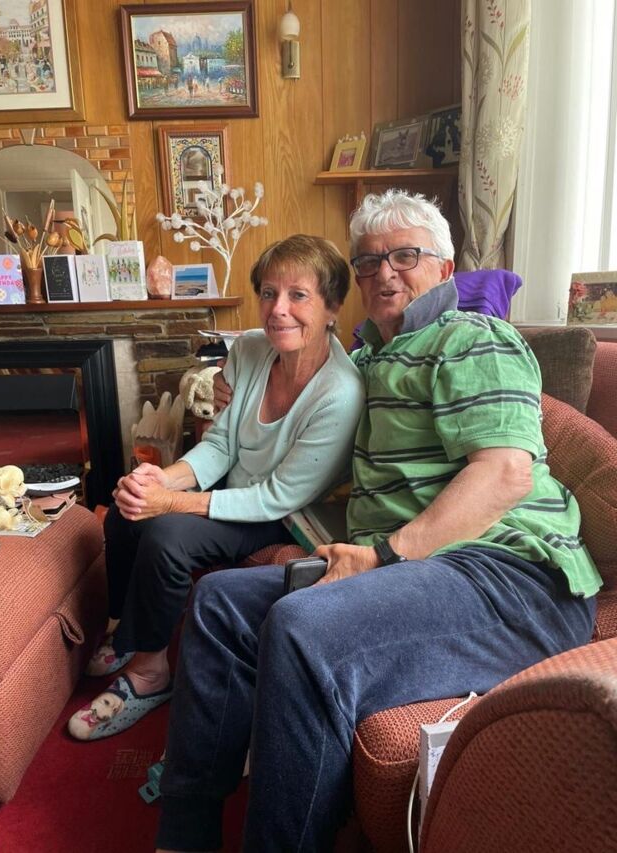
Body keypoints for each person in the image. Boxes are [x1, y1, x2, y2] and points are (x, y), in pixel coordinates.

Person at [155, 189, 601, 852]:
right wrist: (237, 384)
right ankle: (184, 835)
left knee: (302, 626)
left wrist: (385, 554)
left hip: (512, 578)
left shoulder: (472, 338)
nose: (384, 272)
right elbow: (288, 388)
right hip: (416, 574)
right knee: (220, 603)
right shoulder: (365, 363)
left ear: (444, 269)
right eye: (367, 261)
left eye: (405, 256)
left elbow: (505, 472)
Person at [67, 234, 364, 741]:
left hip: (283, 511)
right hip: (237, 484)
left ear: (332, 307)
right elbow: (222, 445)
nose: (278, 309)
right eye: (268, 293)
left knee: (167, 536)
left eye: (298, 295)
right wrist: (162, 479)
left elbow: (276, 497)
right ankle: (122, 629)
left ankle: (150, 673)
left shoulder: (340, 393)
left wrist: (172, 501)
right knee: (126, 508)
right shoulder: (249, 349)